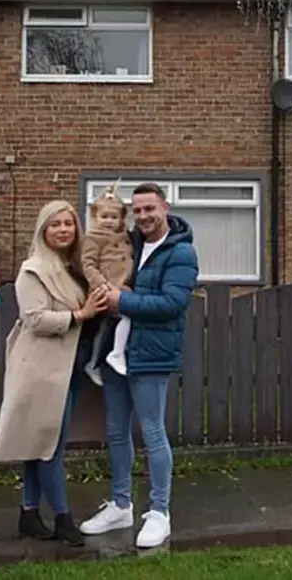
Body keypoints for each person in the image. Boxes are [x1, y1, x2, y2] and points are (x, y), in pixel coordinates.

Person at [79, 182, 199, 549]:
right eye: (139, 210)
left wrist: (121, 302)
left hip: (151, 353)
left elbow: (172, 303)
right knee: (116, 431)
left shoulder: (180, 252)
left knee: (152, 431)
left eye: (151, 208)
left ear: (165, 207)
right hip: (117, 354)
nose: (145, 216)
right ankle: (121, 505)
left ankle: (160, 512)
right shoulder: (128, 243)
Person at [0, 200, 109, 545]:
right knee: (49, 446)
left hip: (70, 367)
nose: (62, 230)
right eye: (55, 224)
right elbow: (35, 319)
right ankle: (62, 518)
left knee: (38, 443)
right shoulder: (34, 269)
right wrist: (80, 315)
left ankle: (28, 512)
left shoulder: (73, 266)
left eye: (68, 224)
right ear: (43, 230)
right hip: (43, 370)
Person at [80, 181, 134, 386]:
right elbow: (88, 264)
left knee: (109, 326)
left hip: (121, 288)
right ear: (95, 217)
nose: (109, 221)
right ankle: (111, 356)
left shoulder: (125, 237)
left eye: (114, 217)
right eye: (104, 217)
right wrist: (101, 285)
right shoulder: (93, 238)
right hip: (104, 289)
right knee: (123, 317)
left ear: (121, 219)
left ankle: (100, 360)